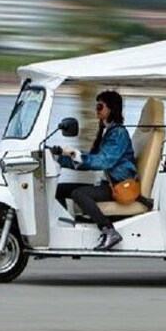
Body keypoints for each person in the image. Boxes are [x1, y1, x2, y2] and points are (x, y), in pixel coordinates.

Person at [53, 90, 137, 250]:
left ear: (111, 109)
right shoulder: (108, 132)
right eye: (96, 106)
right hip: (107, 184)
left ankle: (109, 231)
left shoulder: (119, 133)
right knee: (59, 189)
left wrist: (75, 153)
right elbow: (89, 162)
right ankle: (65, 227)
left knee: (79, 193)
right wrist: (59, 158)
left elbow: (103, 161)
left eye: (99, 106)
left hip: (118, 186)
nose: (96, 110)